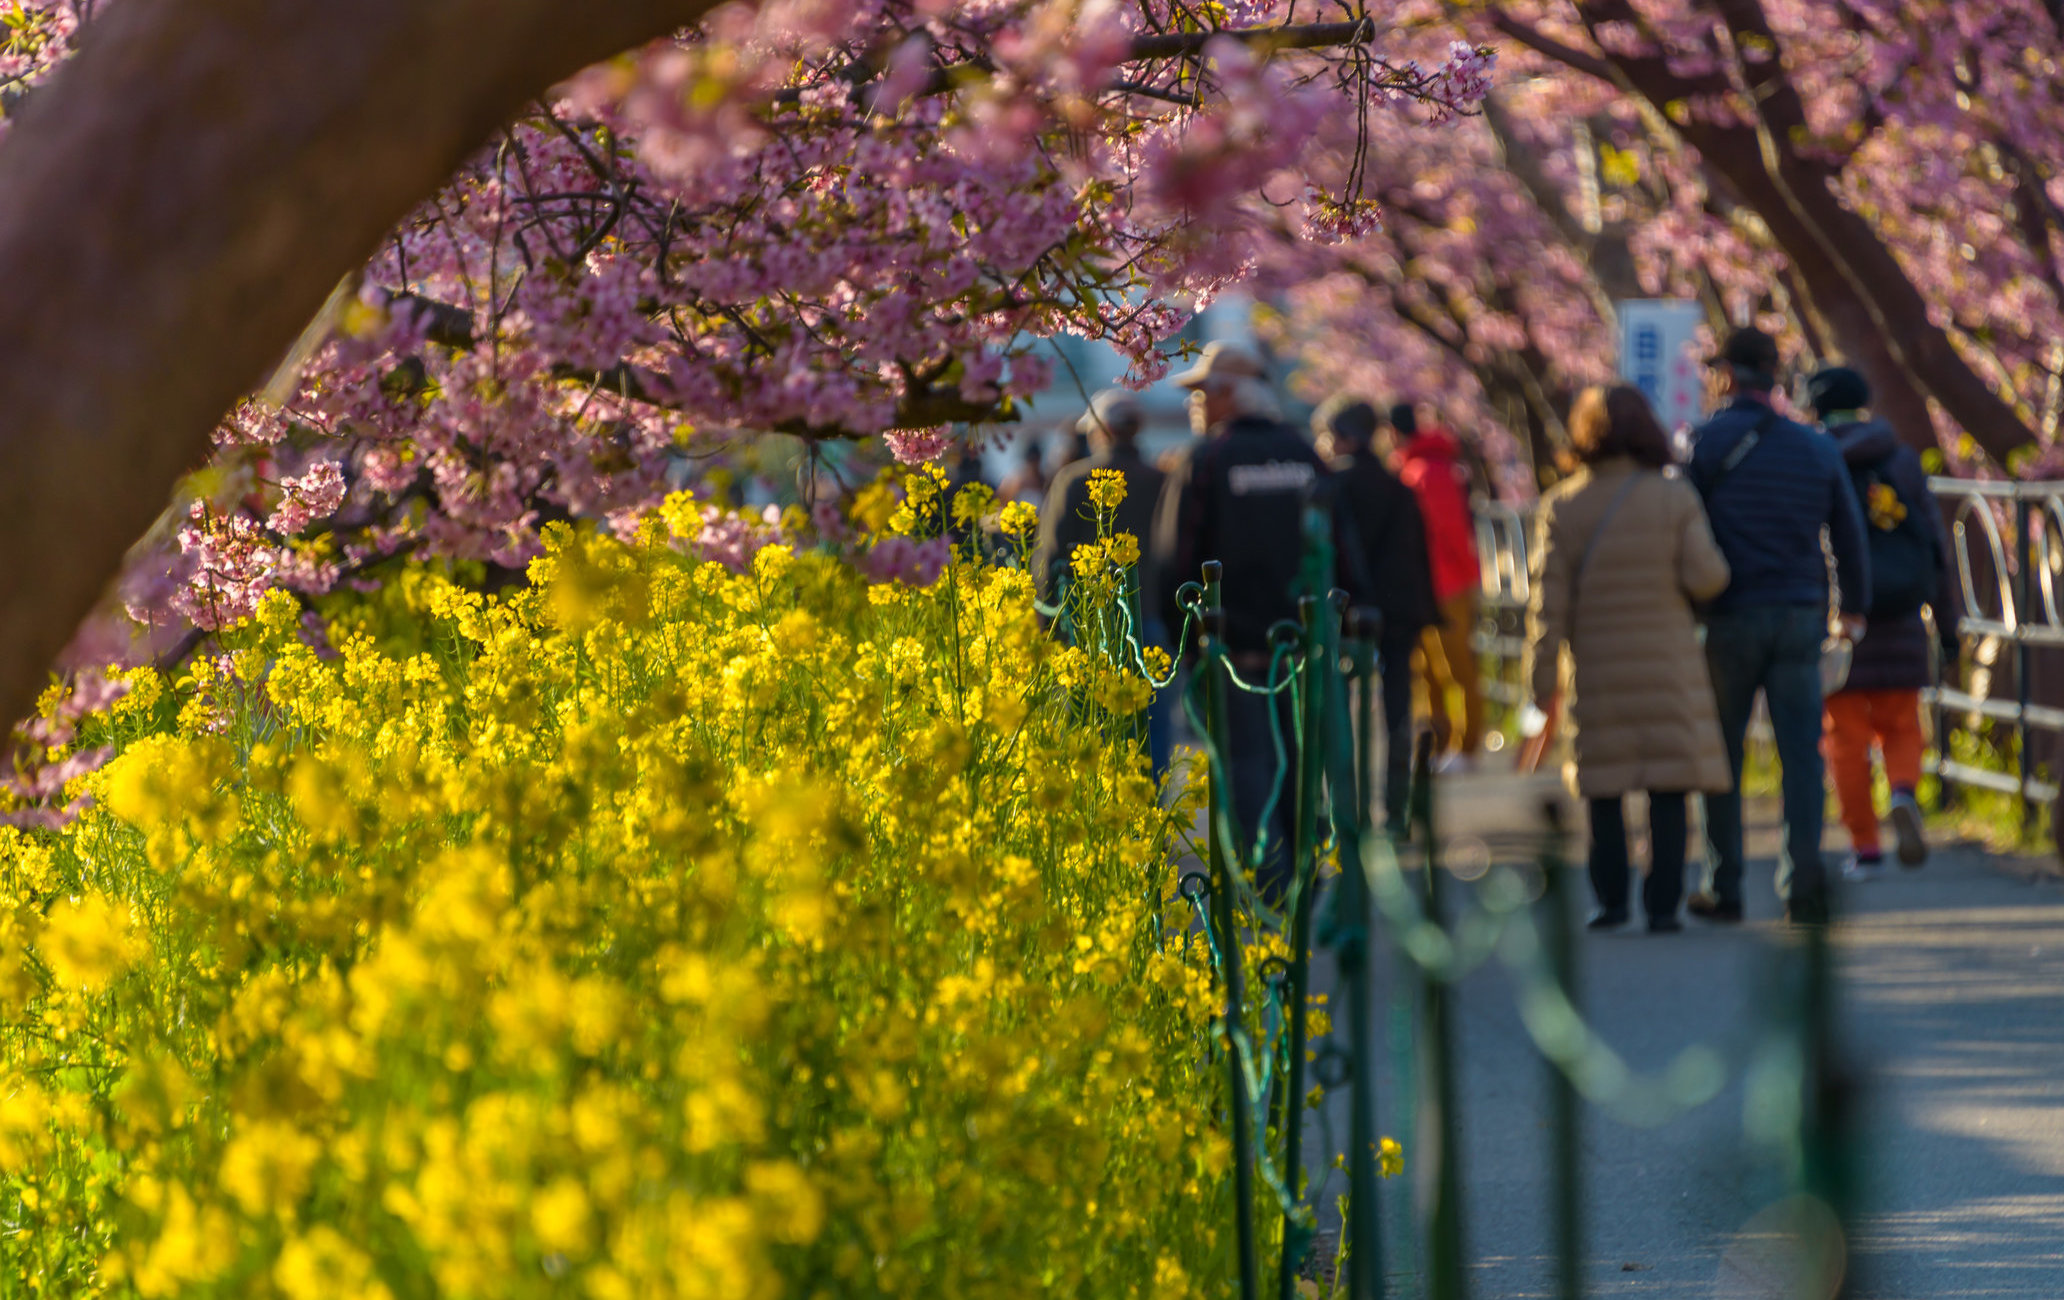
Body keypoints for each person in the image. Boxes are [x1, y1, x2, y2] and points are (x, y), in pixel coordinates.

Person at [1523, 386, 1733, 931]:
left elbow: (1547, 607)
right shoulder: (1674, 497)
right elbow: (1707, 576)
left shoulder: (1562, 506)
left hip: (1597, 667)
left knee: (1604, 787)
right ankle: (1663, 906)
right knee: (1668, 786)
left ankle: (1611, 901)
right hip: (1668, 664)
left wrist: (1539, 682)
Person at [1684, 327, 1870, 927]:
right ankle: (1803, 883)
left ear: (1729, 376)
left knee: (1722, 753)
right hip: (1799, 613)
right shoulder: (1814, 447)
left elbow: (1683, 531)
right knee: (1800, 753)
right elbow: (1848, 533)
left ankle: (1724, 883)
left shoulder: (1703, 442)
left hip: (1727, 616)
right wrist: (1853, 609)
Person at [1155, 341, 1353, 901]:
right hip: (1304, 640)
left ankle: (1265, 883)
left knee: (1246, 762)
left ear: (1229, 395)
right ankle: (1306, 870)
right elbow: (1341, 541)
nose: (1196, 404)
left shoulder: (1207, 460)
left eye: (1203, 392)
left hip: (1232, 644)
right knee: (1297, 757)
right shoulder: (1304, 454)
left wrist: (1181, 640)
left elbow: (1177, 558)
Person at [1806, 365, 1956, 881]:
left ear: (1816, 410)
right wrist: (1950, 624)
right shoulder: (1902, 460)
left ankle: (1865, 847)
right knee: (1900, 724)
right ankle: (1903, 792)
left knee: (1843, 737)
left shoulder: (1812, 458)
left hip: (1840, 621)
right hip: (1903, 618)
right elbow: (1934, 545)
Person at [1034, 389, 1174, 779]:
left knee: (1087, 723)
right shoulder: (1163, 480)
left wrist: (1047, 626)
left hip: (1087, 626)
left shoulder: (1073, 479)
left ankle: (1097, 813)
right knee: (1151, 725)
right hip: (1150, 618)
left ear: (1099, 430)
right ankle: (1151, 812)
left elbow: (1049, 558)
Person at [1315, 395, 1437, 830]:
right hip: (1398, 612)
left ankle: (1349, 807)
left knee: (1340, 706)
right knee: (1398, 707)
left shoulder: (1328, 488)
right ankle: (1398, 806)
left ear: (1343, 437)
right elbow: (1418, 555)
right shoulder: (1397, 487)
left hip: (1344, 609)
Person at [1389, 401, 1485, 774]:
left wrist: (1464, 580)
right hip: (1436, 584)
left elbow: (1451, 534)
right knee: (1431, 671)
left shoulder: (1425, 471)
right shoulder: (1425, 468)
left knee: (1456, 669)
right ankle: (1441, 745)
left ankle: (1466, 746)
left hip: (1445, 585)